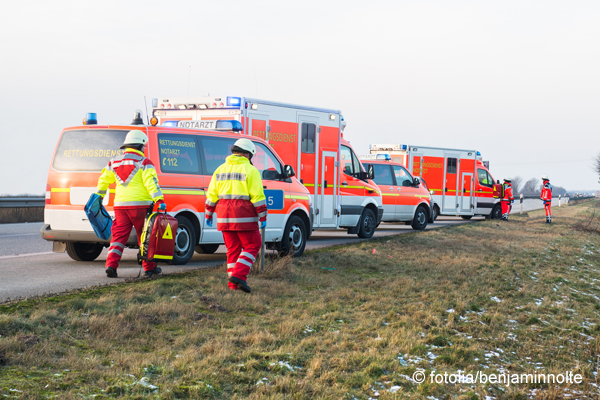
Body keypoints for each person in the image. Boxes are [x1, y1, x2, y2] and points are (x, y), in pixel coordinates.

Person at [96, 130, 166, 278]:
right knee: (145, 237)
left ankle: (111, 265)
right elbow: (151, 183)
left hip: (120, 206)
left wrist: (99, 195)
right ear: (140, 146)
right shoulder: (144, 162)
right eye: (144, 146)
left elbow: (103, 180)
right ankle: (148, 269)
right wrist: (159, 200)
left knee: (118, 237)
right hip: (141, 206)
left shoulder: (114, 161)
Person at [205, 138, 267, 293]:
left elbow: (212, 195)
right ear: (248, 155)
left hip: (223, 216)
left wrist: (209, 214)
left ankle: (233, 286)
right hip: (243, 216)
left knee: (233, 249)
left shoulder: (220, 169)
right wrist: (263, 217)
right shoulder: (251, 171)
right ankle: (239, 276)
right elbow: (257, 196)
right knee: (253, 245)